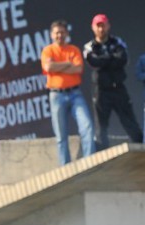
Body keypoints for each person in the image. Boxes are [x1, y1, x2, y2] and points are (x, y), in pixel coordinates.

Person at [83, 13, 143, 149]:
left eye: (103, 25)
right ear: (93, 27)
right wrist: (111, 58)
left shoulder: (117, 42)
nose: (101, 29)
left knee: (129, 121)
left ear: (108, 26)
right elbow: (93, 62)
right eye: (98, 26)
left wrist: (104, 59)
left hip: (118, 88)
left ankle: (142, 148)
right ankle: (102, 154)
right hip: (101, 90)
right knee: (101, 126)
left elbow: (123, 60)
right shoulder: (89, 46)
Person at [41, 20, 95, 166]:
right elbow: (48, 67)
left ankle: (89, 163)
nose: (60, 35)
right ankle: (65, 167)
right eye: (57, 33)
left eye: (62, 32)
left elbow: (78, 69)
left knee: (87, 126)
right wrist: (67, 64)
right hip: (56, 95)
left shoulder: (73, 50)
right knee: (61, 135)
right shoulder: (48, 51)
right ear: (52, 35)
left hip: (75, 93)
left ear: (67, 33)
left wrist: (57, 67)